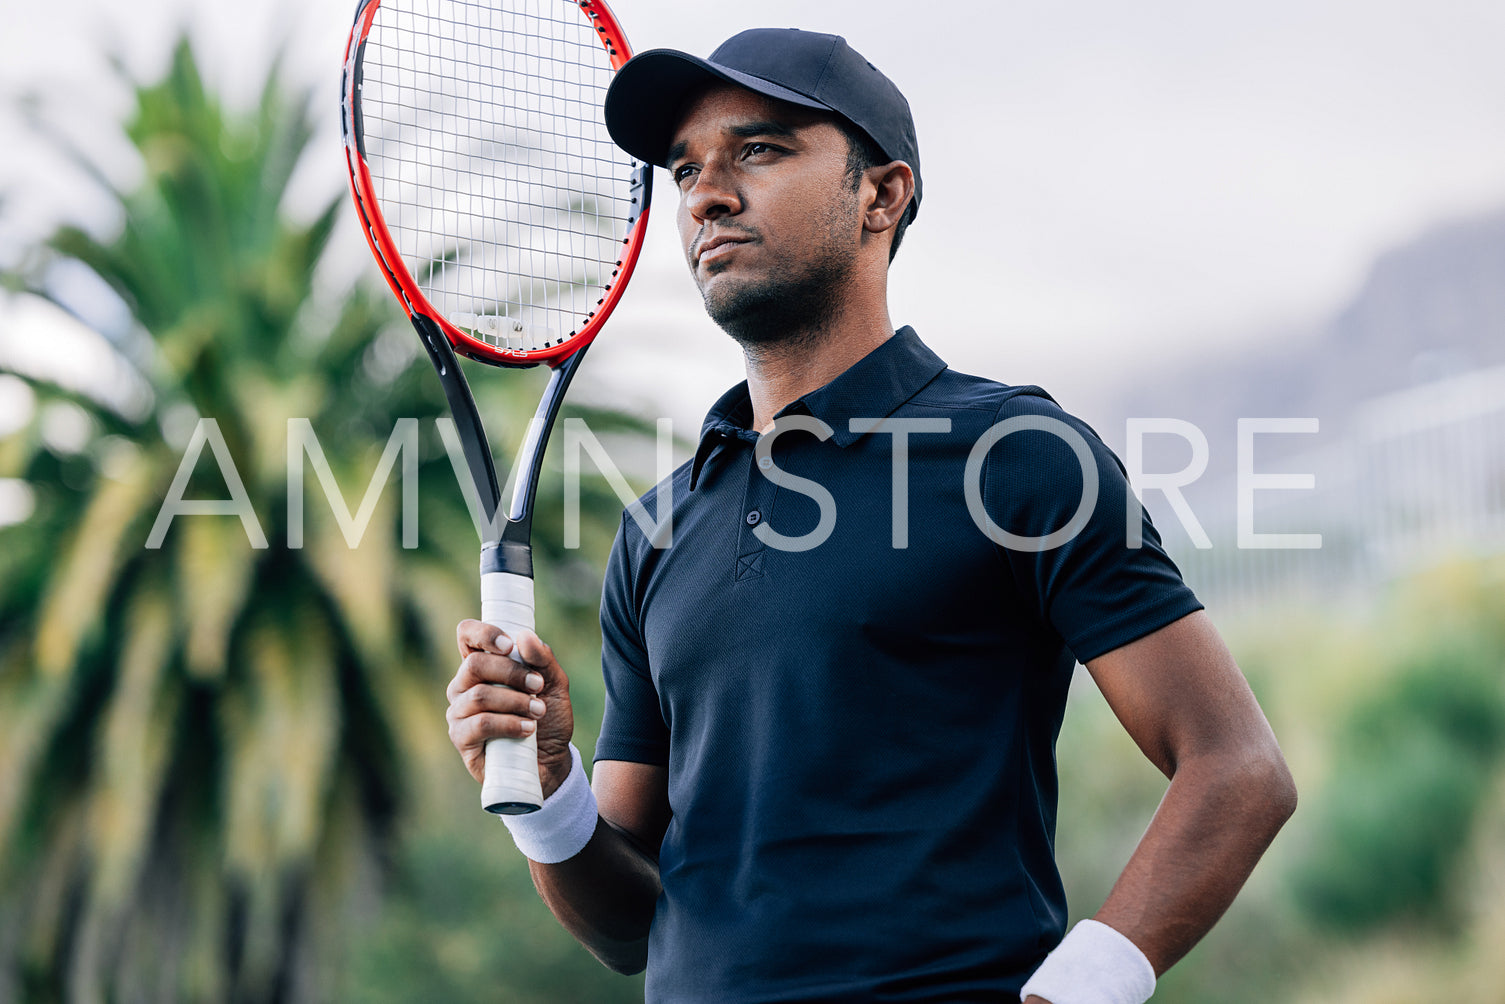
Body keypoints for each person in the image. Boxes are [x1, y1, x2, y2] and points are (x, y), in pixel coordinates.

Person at [445, 27, 1296, 1004]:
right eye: (685, 169)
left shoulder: (1016, 456)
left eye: (757, 150)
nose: (706, 194)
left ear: (878, 195)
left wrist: (1076, 987)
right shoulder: (655, 531)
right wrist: (547, 787)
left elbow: (1237, 767)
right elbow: (632, 924)